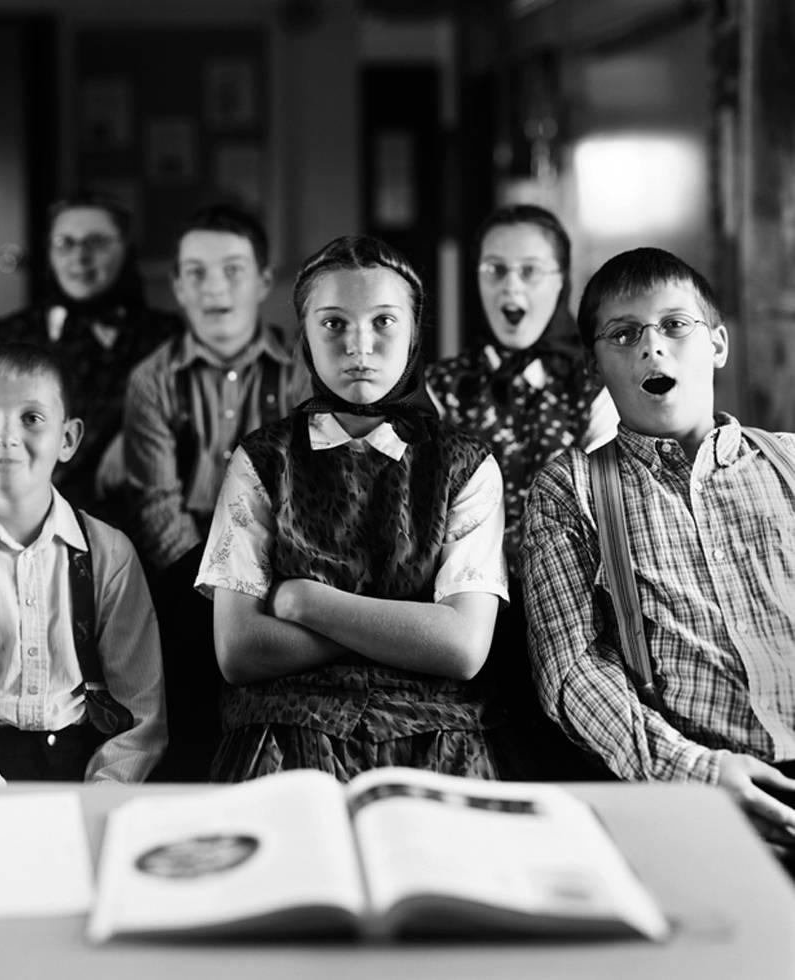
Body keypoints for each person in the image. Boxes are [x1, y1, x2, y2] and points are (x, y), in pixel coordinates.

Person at [195, 235, 508, 783]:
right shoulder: (263, 460)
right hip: (285, 728)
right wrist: (404, 629)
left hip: (436, 732)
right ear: (306, 337)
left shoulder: (466, 465)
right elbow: (239, 649)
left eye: (383, 322)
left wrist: (304, 599)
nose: (358, 346)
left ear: (413, 333)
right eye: (334, 323)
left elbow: (462, 647)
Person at [522, 247, 795, 840]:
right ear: (594, 368)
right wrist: (694, 772)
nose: (651, 347)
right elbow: (572, 670)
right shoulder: (570, 490)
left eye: (674, 325)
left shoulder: (790, 463)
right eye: (623, 335)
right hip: (696, 799)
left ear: (717, 344)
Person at [0, 343, 167, 784]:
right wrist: (2, 808)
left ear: (68, 439)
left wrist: (99, 797)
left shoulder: (109, 553)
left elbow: (141, 717)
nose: (5, 436)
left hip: (85, 769)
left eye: (31, 418)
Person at [425, 204, 617, 778]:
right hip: (465, 605)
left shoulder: (592, 387)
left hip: (571, 603)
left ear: (562, 281)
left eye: (531, 270)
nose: (512, 285)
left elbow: (608, 508)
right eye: (495, 269)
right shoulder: (440, 386)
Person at [123, 203, 309, 575]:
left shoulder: (302, 374)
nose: (214, 287)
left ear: (264, 282)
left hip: (283, 568)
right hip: (184, 573)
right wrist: (212, 585)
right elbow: (157, 511)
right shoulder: (151, 380)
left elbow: (314, 494)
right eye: (196, 273)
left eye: (233, 270)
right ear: (177, 285)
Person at [0, 192, 182, 518]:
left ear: (126, 249)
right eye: (65, 243)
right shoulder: (11, 333)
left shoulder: (163, 334)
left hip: (131, 513)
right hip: (28, 512)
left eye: (97, 242)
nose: (80, 257)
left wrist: (135, 438)